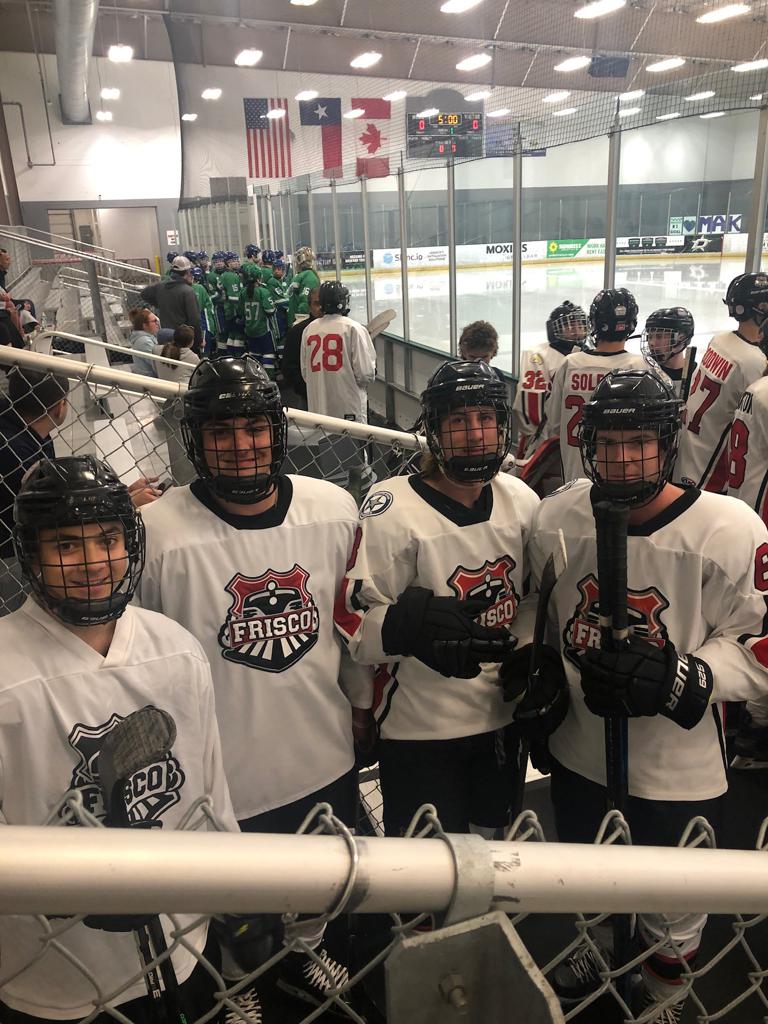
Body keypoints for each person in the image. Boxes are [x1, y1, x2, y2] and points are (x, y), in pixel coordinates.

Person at [527, 369, 768, 1022]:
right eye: (609, 444)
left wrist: (684, 676)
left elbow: (759, 644)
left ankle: (665, 995)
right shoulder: (556, 517)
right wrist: (535, 663)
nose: (624, 459)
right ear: (588, 446)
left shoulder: (728, 530)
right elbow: (539, 612)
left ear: (666, 444)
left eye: (639, 443)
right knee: (588, 872)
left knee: (675, 895)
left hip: (678, 766)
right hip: (580, 747)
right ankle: (601, 949)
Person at [136, 356, 371, 1010]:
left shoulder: (333, 509)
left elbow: (352, 626)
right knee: (226, 899)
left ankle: (302, 955)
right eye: (221, 431)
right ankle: (235, 986)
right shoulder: (156, 532)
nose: (241, 445)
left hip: (319, 749)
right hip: (220, 768)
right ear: (195, 438)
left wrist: (362, 705)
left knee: (319, 882)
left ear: (276, 430)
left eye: (253, 428)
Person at [0, 454, 239, 1024]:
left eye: (107, 540)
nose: (92, 563)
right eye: (66, 545)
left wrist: (231, 889)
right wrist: (62, 891)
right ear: (31, 554)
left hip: (181, 946)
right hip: (51, 973)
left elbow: (209, 791)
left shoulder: (175, 647)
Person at [335, 359, 543, 838]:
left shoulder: (521, 500)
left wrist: (527, 649)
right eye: (458, 420)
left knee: (495, 849)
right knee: (425, 861)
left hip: (500, 716)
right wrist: (407, 629)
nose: (475, 433)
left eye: (485, 418)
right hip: (419, 724)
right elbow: (352, 621)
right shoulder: (392, 509)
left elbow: (533, 599)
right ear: (434, 430)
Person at [0, 367, 163, 619]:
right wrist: (127, 505)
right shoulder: (17, 451)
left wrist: (120, 496)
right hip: (7, 554)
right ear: (60, 407)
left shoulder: (18, 428)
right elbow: (53, 516)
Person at [539, 288, 651, 484]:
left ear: (594, 322)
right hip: (620, 474)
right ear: (631, 324)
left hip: (573, 479)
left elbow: (554, 422)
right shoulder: (640, 366)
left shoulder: (570, 363)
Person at [675, 273, 768, 493]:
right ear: (761, 308)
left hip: (689, 454)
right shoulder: (753, 361)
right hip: (712, 475)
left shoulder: (719, 340)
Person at [300, 281, 377, 498]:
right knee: (355, 463)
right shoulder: (353, 328)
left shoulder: (309, 329)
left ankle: (336, 497)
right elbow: (365, 374)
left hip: (320, 407)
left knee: (331, 460)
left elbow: (305, 372)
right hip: (348, 406)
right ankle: (357, 499)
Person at [513, 301, 588, 456]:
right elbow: (529, 402)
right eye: (569, 325)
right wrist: (537, 437)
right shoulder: (538, 356)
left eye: (580, 325)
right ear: (554, 329)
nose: (576, 330)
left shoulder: (589, 355)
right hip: (543, 438)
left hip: (577, 437)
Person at [139, 256, 202, 352]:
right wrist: (198, 341)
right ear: (188, 272)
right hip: (184, 339)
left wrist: (159, 304)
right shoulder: (187, 291)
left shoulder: (161, 286)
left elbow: (144, 294)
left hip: (165, 337)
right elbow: (194, 319)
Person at [640, 307, 696, 398]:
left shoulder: (696, 374)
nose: (651, 343)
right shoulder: (645, 369)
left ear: (681, 338)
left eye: (659, 336)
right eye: (649, 336)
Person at [279, 287, 319, 409]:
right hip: (308, 399)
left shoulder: (342, 330)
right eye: (316, 303)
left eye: (324, 303)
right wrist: (306, 391)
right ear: (309, 306)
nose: (321, 308)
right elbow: (289, 367)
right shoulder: (298, 332)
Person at [238, 268, 277, 376]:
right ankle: (269, 378)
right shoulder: (263, 291)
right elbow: (270, 310)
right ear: (259, 279)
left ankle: (256, 379)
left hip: (250, 330)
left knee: (254, 356)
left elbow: (240, 311)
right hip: (263, 329)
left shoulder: (243, 292)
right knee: (268, 355)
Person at [286, 247, 320, 329]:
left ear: (301, 260)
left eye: (297, 259)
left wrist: (300, 321)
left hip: (301, 323)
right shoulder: (303, 275)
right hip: (295, 322)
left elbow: (305, 302)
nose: (296, 263)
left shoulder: (308, 277)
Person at [127, 307, 160, 377]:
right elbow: (158, 365)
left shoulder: (147, 337)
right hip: (151, 380)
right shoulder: (144, 342)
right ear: (144, 325)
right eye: (154, 321)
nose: (157, 323)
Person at [191, 267, 217, 356]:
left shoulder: (198, 287)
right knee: (204, 352)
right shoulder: (199, 287)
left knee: (204, 352)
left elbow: (198, 307)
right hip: (205, 324)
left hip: (204, 324)